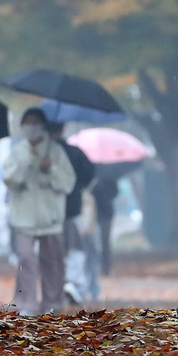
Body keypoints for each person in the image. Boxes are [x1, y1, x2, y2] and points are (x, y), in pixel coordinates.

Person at [2, 108, 76, 316]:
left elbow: (68, 183)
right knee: (26, 259)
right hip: (23, 217)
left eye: (35, 122)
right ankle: (26, 302)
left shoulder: (55, 152)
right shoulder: (18, 152)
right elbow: (10, 179)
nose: (31, 127)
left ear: (43, 125)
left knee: (53, 261)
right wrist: (28, 163)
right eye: (27, 123)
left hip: (50, 216)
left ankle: (53, 302)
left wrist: (50, 168)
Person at [49, 122, 96, 303]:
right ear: (63, 128)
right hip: (72, 208)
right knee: (74, 248)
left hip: (49, 211)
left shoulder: (44, 153)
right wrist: (78, 187)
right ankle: (73, 284)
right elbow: (90, 174)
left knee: (52, 250)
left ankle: (57, 286)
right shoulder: (75, 152)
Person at [91, 172, 119, 276]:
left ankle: (106, 267)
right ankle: (98, 266)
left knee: (105, 241)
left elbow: (115, 193)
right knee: (94, 242)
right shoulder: (92, 175)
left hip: (106, 214)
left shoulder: (110, 179)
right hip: (94, 214)